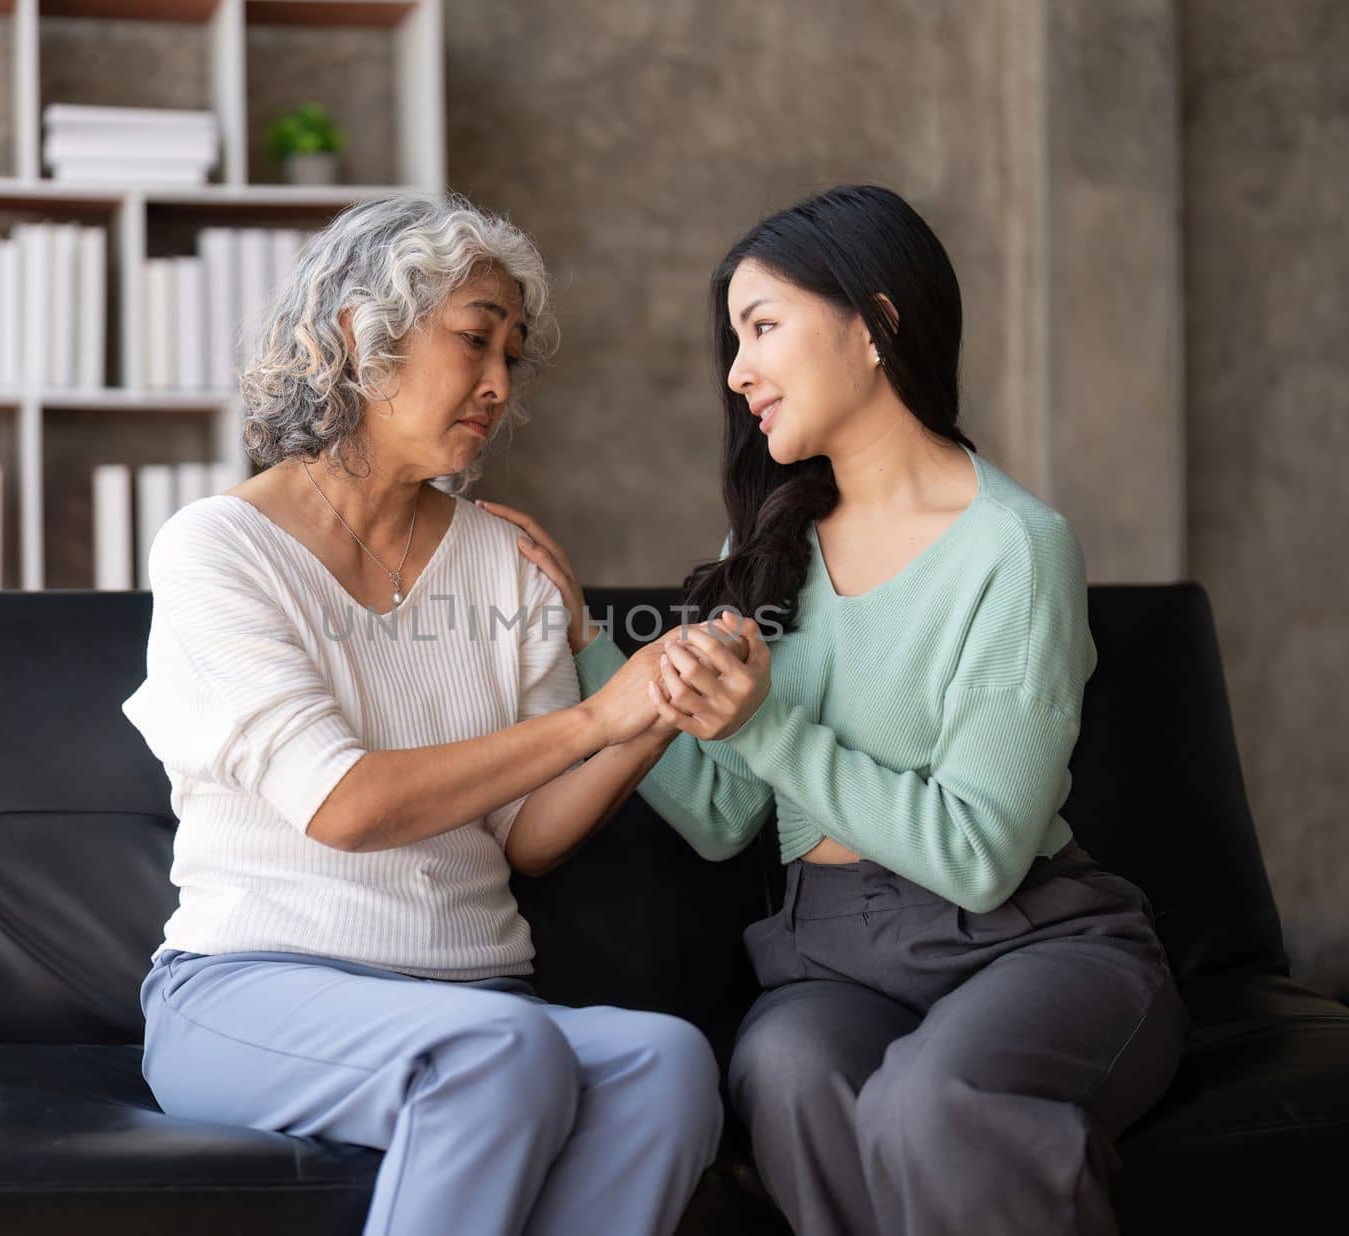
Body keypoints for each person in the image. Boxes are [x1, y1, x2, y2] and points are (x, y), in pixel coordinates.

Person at [480, 184, 1188, 1236]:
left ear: (877, 323)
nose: (736, 372)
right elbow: (723, 815)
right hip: (831, 953)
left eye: (762, 326)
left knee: (928, 1104)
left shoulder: (1014, 547)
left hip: (1025, 943)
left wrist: (765, 725)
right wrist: (588, 642)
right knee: (784, 1071)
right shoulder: (765, 552)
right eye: (734, 339)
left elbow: (980, 855)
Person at [120, 191, 721, 1236]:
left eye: (512, 356)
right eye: (473, 341)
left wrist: (653, 711)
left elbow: (525, 840)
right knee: (500, 1052)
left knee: (666, 1063)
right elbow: (344, 806)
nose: (497, 384)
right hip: (249, 991)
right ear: (362, 339)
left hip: (476, 999)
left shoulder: (507, 564)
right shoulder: (216, 550)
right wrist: (593, 718)